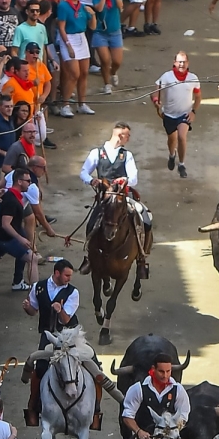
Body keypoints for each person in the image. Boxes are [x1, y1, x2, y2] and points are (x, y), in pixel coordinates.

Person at [78, 123, 152, 279]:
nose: (129, 139)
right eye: (127, 135)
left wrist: (124, 180)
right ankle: (89, 255)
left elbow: (134, 178)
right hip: (105, 199)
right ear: (120, 136)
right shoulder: (96, 153)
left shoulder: (127, 155)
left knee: (145, 218)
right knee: (92, 222)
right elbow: (84, 172)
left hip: (122, 198)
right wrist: (92, 181)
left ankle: (141, 259)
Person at [152, 51, 201, 178]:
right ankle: (172, 155)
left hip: (184, 114)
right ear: (174, 63)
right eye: (179, 61)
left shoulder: (193, 78)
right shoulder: (166, 77)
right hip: (169, 114)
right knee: (171, 139)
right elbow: (156, 90)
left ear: (188, 63)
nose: (182, 64)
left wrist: (193, 111)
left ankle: (182, 164)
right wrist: (156, 102)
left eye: (184, 62)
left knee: (181, 136)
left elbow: (198, 97)